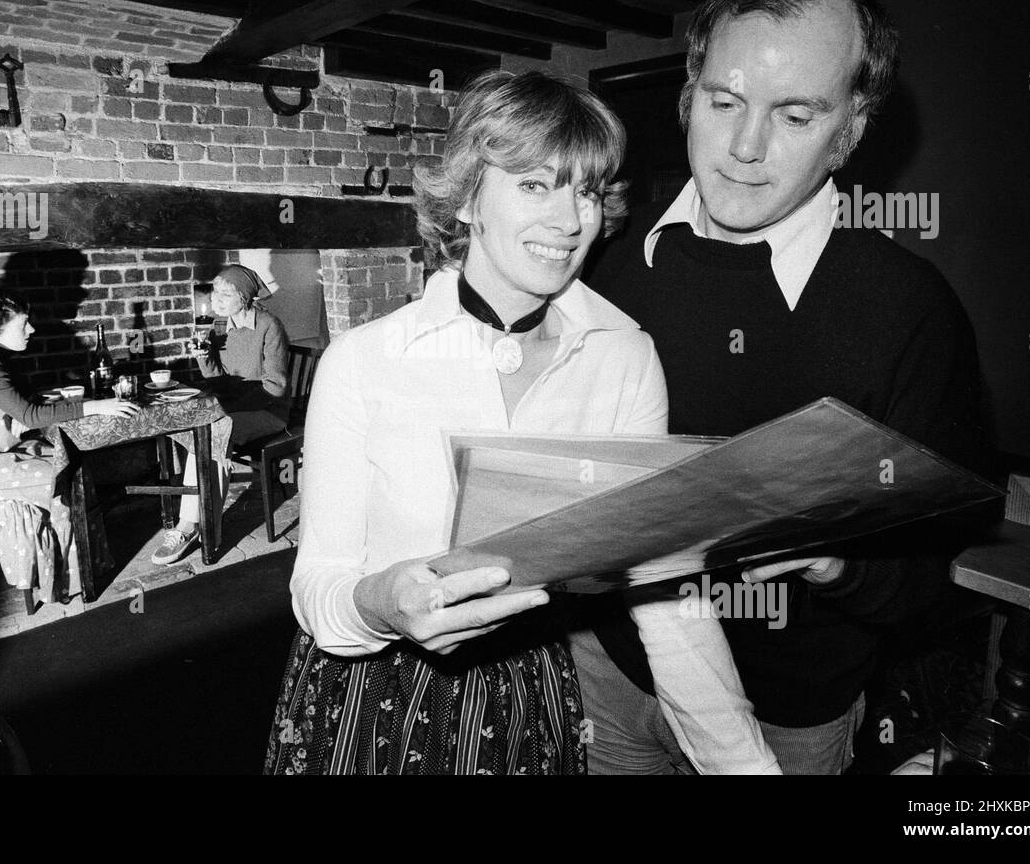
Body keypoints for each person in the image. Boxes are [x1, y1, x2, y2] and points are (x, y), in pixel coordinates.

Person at [264, 70, 779, 775]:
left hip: (526, 700)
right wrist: (381, 602)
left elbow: (666, 589)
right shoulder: (364, 360)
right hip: (371, 695)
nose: (570, 221)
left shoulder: (624, 357)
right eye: (535, 184)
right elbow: (317, 585)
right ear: (470, 197)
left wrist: (745, 766)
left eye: (587, 189)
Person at [583, 0, 990, 774]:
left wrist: (839, 558)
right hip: (612, 677)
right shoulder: (604, 262)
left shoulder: (909, 309)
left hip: (788, 723)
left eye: (795, 114)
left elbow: (958, 573)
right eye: (723, 101)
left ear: (851, 129)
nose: (743, 146)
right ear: (688, 93)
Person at [0, 284, 138, 602]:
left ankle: (73, 569)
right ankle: (63, 578)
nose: (32, 328)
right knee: (59, 473)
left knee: (64, 458)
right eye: (23, 323)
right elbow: (29, 415)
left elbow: (18, 407)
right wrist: (99, 406)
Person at [152, 265, 291, 565]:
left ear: (245, 297)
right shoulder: (221, 327)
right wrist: (206, 359)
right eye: (216, 292)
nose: (217, 299)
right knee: (204, 429)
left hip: (269, 412)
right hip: (234, 412)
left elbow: (275, 387)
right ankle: (197, 523)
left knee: (213, 430)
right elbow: (220, 382)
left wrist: (227, 408)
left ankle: (192, 527)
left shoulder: (269, 326)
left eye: (226, 293)